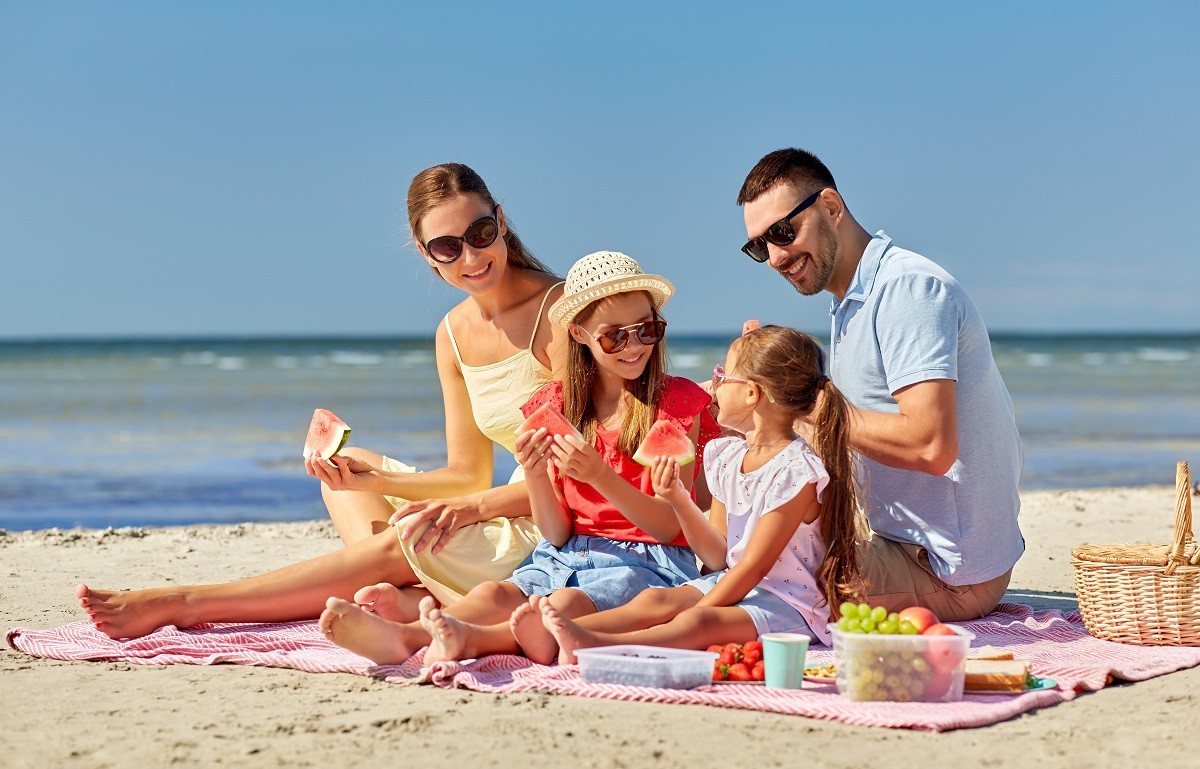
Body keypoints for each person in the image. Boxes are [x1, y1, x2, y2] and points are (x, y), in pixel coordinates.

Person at [76, 163, 564, 638]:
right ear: (425, 254)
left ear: (500, 221)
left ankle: (190, 603)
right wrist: (376, 479)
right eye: (447, 247)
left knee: (408, 535)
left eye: (480, 233)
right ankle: (417, 597)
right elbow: (468, 474)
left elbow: (584, 469)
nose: (471, 258)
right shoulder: (452, 335)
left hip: (549, 524)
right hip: (494, 505)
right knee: (347, 482)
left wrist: (470, 509)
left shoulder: (559, 312)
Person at [318, 251, 721, 664]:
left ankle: (454, 641)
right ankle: (406, 635)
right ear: (579, 335)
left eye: (647, 329)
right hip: (567, 552)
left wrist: (600, 476)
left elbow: (669, 524)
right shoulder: (555, 407)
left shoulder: (675, 402)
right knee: (494, 594)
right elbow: (557, 532)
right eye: (614, 336)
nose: (634, 346)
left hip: (648, 562)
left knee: (564, 607)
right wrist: (534, 474)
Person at [735, 148, 1023, 622]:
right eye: (758, 247)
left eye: (783, 233)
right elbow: (846, 427)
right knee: (737, 544)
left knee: (755, 577)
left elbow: (931, 446)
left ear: (830, 207)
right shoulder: (852, 300)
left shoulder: (908, 290)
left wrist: (802, 402)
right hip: (901, 544)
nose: (775, 256)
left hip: (948, 570)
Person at [522, 325, 864, 663]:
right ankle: (562, 630)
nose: (714, 383)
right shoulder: (728, 455)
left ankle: (591, 642)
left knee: (698, 621)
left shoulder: (796, 472)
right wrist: (678, 500)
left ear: (751, 394)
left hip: (789, 603)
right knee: (656, 602)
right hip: (732, 580)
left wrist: (701, 605)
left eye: (723, 374)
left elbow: (753, 568)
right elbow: (717, 556)